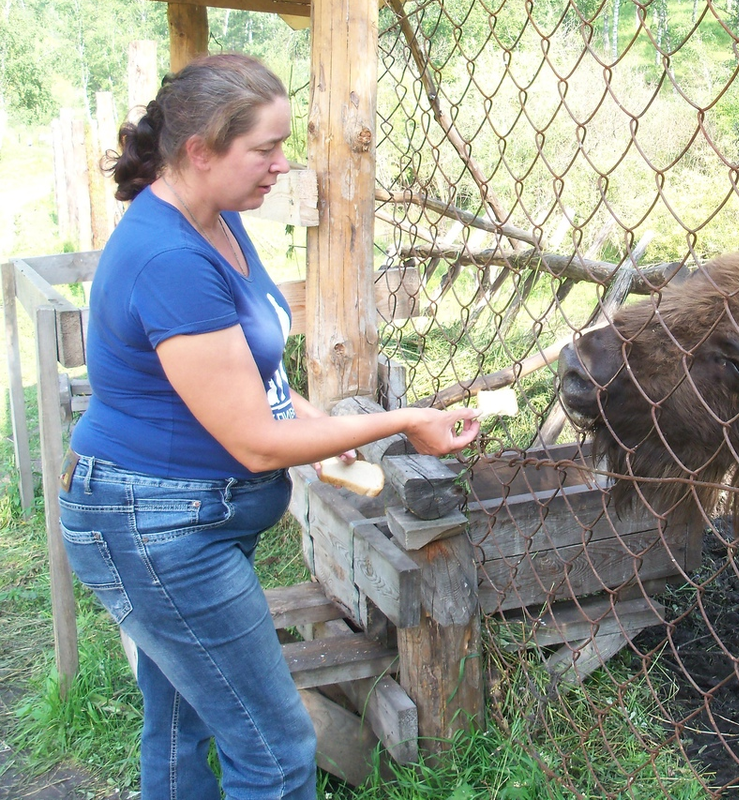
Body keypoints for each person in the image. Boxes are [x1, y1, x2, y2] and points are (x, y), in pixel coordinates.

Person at [58, 54, 479, 800]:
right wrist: (408, 420)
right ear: (199, 151)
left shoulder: (212, 220)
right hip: (160, 531)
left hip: (175, 520)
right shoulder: (169, 258)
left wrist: (342, 437)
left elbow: (266, 393)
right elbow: (255, 439)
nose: (282, 167)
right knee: (277, 750)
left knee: (183, 722)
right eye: (265, 149)